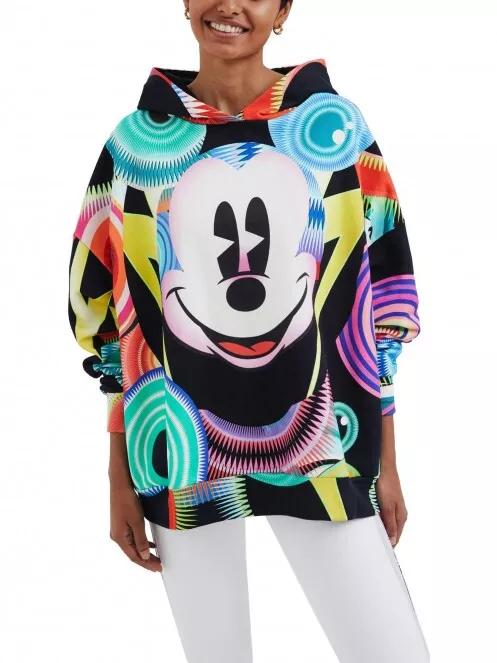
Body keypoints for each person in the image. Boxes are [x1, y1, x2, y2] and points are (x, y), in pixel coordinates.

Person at [67, 1, 430, 661]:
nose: (229, 5)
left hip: (328, 447)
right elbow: (111, 316)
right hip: (178, 451)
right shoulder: (136, 146)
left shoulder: (335, 131)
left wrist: (386, 459)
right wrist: (118, 471)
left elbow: (380, 297)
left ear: (283, 9)